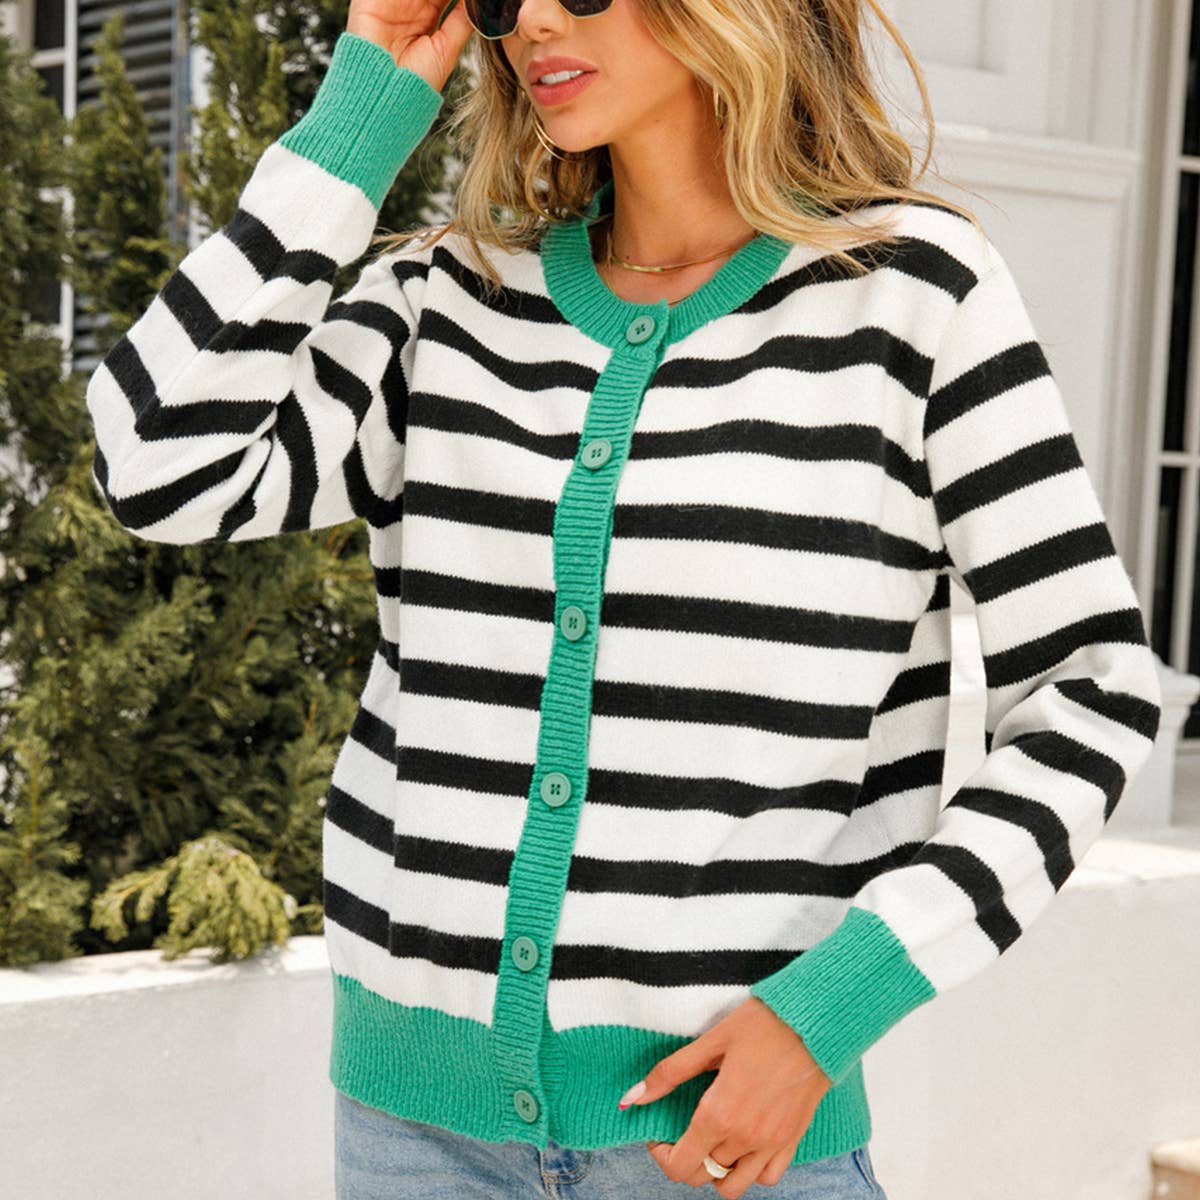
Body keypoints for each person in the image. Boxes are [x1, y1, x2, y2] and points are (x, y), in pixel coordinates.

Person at [83, 0, 1163, 1196]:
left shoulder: (912, 296)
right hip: (416, 1144)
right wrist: (367, 94)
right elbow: (156, 464)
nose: (533, 21)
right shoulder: (447, 302)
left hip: (720, 1148)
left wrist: (830, 1010)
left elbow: (1093, 695)